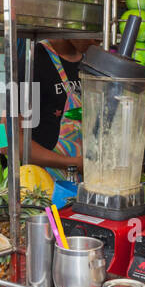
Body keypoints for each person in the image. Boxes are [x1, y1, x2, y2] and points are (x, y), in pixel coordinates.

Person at [27, 36, 97, 181]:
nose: (98, 40)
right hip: (45, 186)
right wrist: (73, 163)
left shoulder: (92, 62)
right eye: (94, 33)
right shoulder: (33, 61)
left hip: (87, 183)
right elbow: (5, 141)